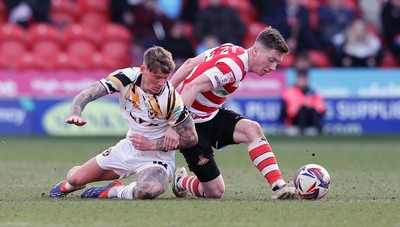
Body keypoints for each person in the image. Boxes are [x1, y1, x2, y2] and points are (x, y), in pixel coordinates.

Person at [49, 46, 198, 200]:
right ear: (143, 70)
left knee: (148, 191)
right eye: (156, 77)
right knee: (74, 178)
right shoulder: (126, 77)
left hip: (158, 158)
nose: (161, 83)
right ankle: (71, 184)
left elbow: (192, 138)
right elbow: (88, 93)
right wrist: (75, 113)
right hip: (127, 148)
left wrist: (154, 145)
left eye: (165, 78)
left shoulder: (171, 98)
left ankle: (114, 191)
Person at [168, 26, 296, 200]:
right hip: (192, 125)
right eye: (271, 59)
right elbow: (192, 86)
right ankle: (181, 181)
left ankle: (278, 186)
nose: (273, 67)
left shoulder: (232, 48)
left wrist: (166, 91)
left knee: (252, 129)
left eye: (277, 63)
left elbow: (191, 63)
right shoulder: (233, 68)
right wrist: (176, 126)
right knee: (215, 192)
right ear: (256, 50)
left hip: (211, 115)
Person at [280, 52, 325, 135]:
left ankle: (319, 133)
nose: (302, 81)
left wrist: (310, 105)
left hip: (310, 119)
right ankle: (302, 133)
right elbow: (283, 113)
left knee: (310, 110)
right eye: (300, 79)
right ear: (296, 79)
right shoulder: (289, 92)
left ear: (307, 79)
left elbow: (321, 110)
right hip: (295, 121)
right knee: (302, 109)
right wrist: (300, 106)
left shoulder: (313, 93)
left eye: (304, 79)